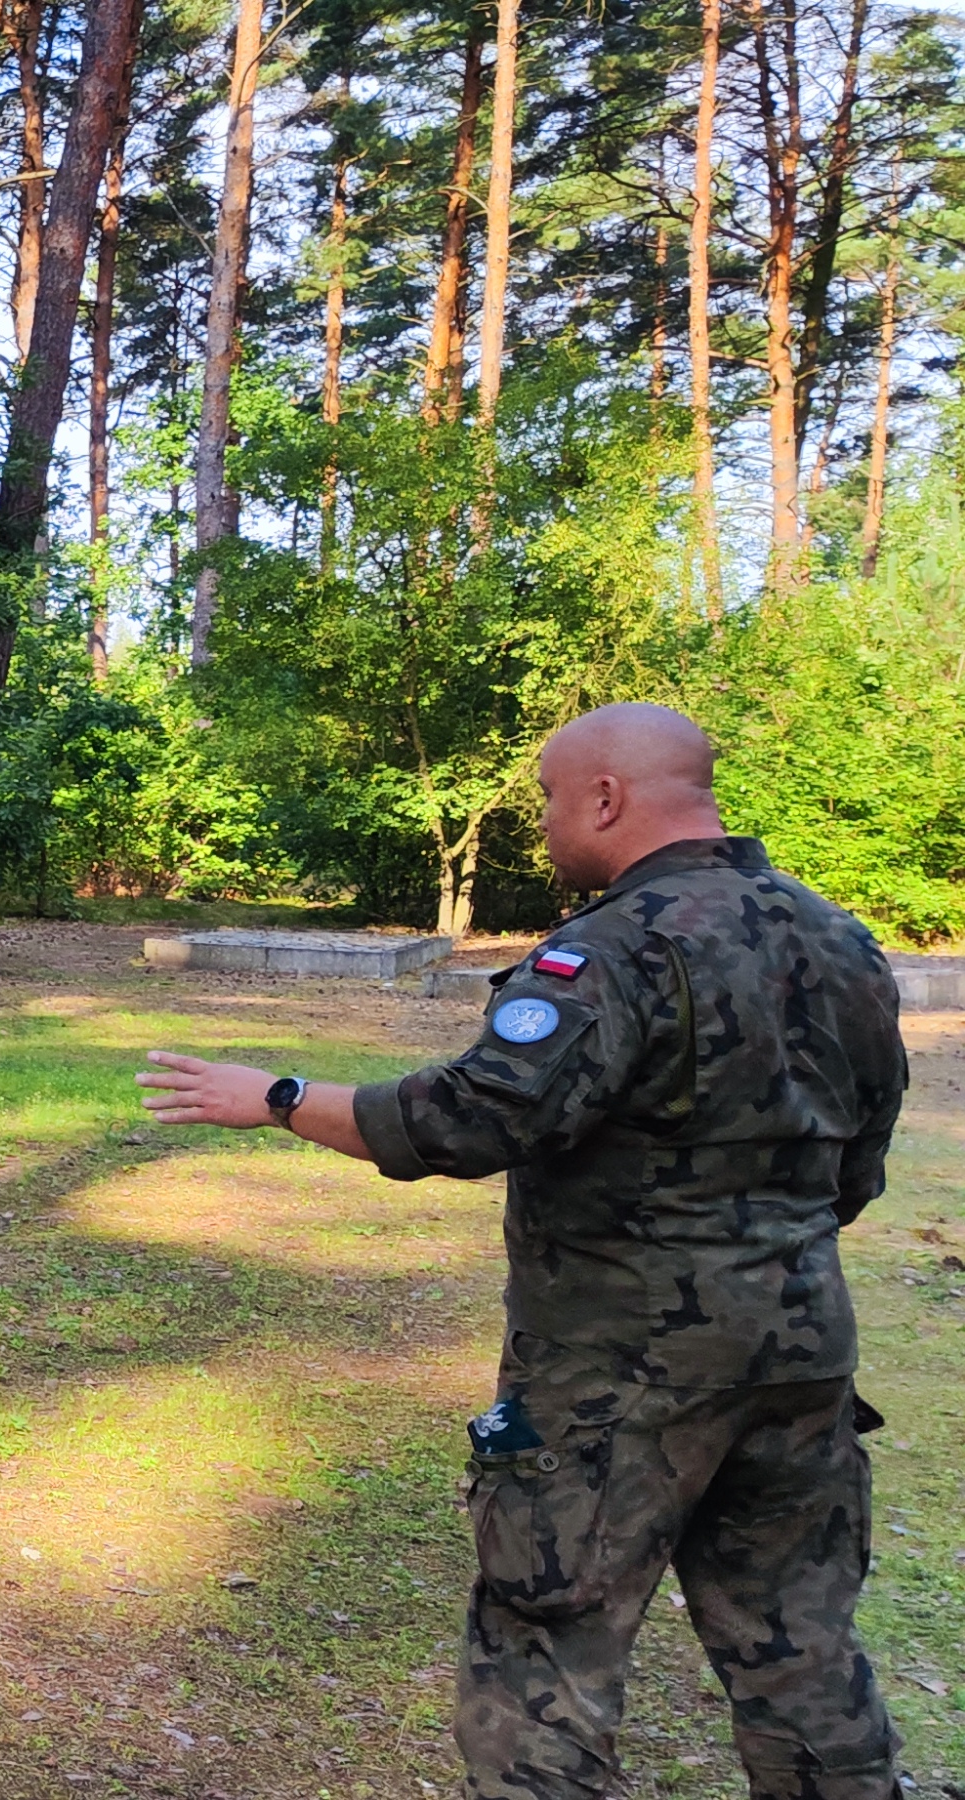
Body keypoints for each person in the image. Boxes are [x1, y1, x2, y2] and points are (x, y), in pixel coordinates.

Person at [138, 702, 909, 1800]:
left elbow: (469, 1120)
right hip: (801, 1360)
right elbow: (857, 1164)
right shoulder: (838, 941)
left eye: (552, 799)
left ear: (606, 797)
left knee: (547, 1657)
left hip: (619, 1382)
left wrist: (276, 1097)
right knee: (802, 1655)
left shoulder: (612, 949)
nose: (545, 825)